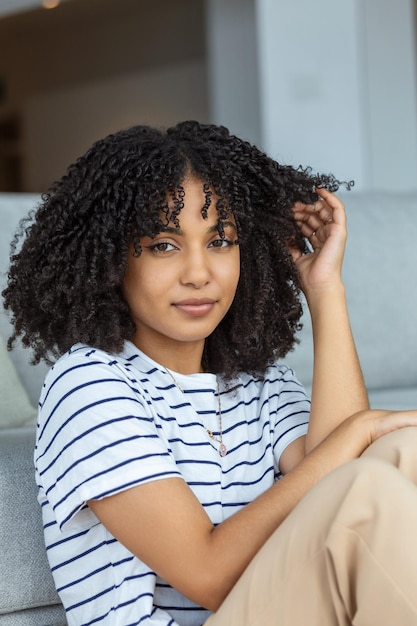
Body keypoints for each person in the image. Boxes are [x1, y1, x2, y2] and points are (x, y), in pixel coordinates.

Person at [3, 121, 417, 626]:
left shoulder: (257, 382)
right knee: (369, 487)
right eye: (164, 245)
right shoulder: (88, 384)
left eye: (220, 240)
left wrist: (325, 290)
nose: (199, 272)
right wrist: (358, 431)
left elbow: (340, 467)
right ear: (111, 260)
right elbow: (209, 574)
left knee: (401, 452)